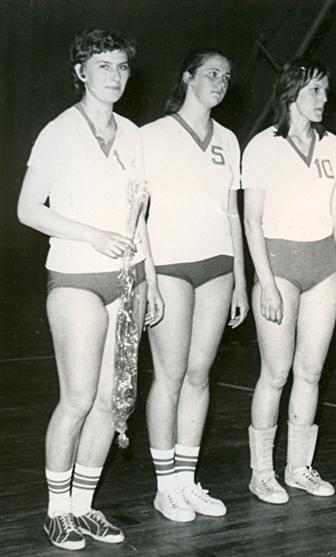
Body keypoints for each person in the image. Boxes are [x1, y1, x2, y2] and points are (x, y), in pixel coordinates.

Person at [17, 29, 163, 550]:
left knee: (112, 401)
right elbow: (28, 210)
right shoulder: (58, 132)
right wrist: (91, 235)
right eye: (104, 66)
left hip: (130, 279)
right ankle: (57, 511)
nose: (115, 76)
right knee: (78, 397)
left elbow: (139, 214)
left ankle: (83, 507)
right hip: (77, 278)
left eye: (122, 66)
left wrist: (152, 277)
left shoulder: (134, 135)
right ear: (81, 72)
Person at [242, 59, 336, 503]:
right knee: (275, 373)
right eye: (315, 91)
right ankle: (261, 472)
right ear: (291, 93)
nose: (324, 99)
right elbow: (252, 221)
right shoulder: (263, 147)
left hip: (323, 267)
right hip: (279, 266)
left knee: (310, 372)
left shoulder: (333, 146)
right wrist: (267, 283)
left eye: (325, 90)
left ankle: (298, 467)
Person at [143, 49, 248, 522]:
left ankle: (187, 480)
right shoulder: (151, 136)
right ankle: (165, 486)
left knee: (199, 374)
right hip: (169, 267)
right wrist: (147, 277)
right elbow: (137, 213)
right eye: (211, 73)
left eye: (226, 76)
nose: (220, 82)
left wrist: (241, 281)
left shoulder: (228, 139)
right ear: (187, 77)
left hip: (217, 268)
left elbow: (233, 214)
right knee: (169, 375)